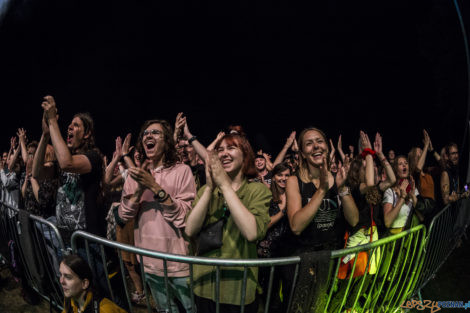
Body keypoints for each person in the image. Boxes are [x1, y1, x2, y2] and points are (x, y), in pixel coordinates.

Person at [185, 133, 271, 313]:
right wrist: (209, 188)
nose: (224, 153)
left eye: (231, 148)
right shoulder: (206, 190)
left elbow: (252, 232)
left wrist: (224, 186)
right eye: (220, 150)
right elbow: (190, 229)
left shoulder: (257, 191)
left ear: (245, 155)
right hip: (204, 283)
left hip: (237, 288)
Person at [119, 119, 196, 313]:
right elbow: (124, 214)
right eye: (145, 133)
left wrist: (154, 186)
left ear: (167, 141)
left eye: (155, 133)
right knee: (165, 310)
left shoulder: (182, 171)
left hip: (179, 263)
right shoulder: (136, 175)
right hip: (149, 263)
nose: (148, 136)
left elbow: (183, 218)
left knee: (190, 309)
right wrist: (138, 190)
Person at [282, 127, 359, 310]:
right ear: (302, 153)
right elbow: (296, 226)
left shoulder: (337, 177)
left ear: (326, 146)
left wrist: (342, 189)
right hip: (302, 262)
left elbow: (354, 220)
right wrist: (322, 190)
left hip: (330, 258)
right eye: (309, 143)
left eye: (319, 141)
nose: (316, 146)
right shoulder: (294, 181)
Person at [257, 162, 291, 313]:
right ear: (274, 177)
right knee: (270, 292)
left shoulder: (294, 194)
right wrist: (282, 211)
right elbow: (264, 224)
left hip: (289, 249)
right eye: (280, 175)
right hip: (269, 251)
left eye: (287, 175)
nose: (283, 178)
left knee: (289, 290)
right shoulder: (267, 194)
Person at [60, 254, 127, 313]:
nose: (61, 281)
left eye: (68, 277)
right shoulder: (70, 300)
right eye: (61, 274)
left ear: (84, 283)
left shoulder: (104, 309)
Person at [382, 155, 419, 234]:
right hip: (395, 241)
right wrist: (402, 198)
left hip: (411, 240)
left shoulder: (413, 189)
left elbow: (421, 217)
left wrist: (412, 195)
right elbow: (387, 222)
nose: (404, 165)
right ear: (395, 170)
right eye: (400, 164)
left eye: (406, 163)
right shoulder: (390, 192)